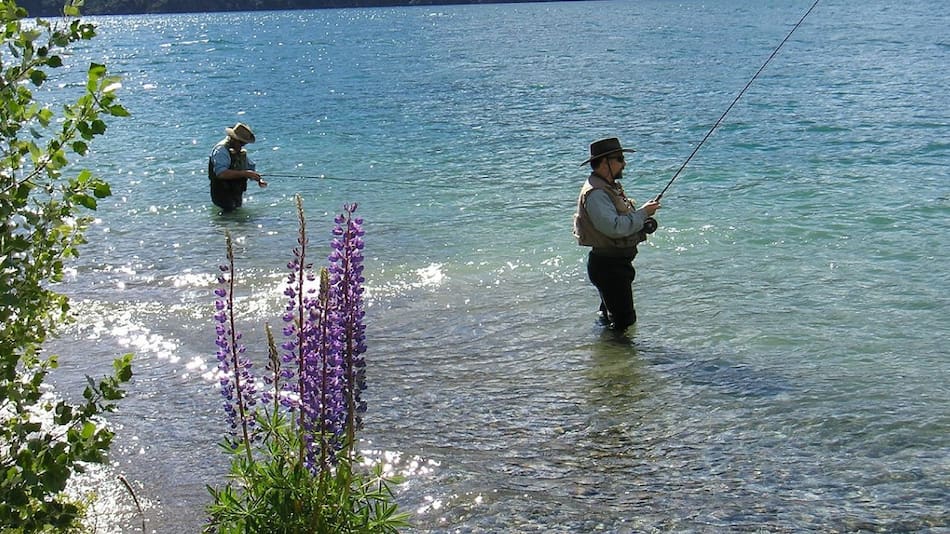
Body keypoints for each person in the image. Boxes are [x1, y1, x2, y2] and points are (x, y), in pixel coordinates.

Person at [573, 137, 661, 332]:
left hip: (614, 266)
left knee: (610, 320)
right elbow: (614, 228)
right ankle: (618, 355)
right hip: (609, 268)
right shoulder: (596, 192)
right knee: (624, 322)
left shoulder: (607, 186)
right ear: (605, 162)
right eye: (620, 158)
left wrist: (641, 217)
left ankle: (608, 358)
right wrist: (644, 213)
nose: (624, 163)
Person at [208, 122, 267, 211]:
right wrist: (245, 174)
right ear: (233, 139)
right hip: (221, 192)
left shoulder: (239, 152)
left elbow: (250, 168)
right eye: (242, 143)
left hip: (236, 192)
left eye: (244, 144)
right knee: (229, 216)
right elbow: (221, 173)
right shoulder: (221, 150)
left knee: (236, 218)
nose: (243, 145)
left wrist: (259, 179)